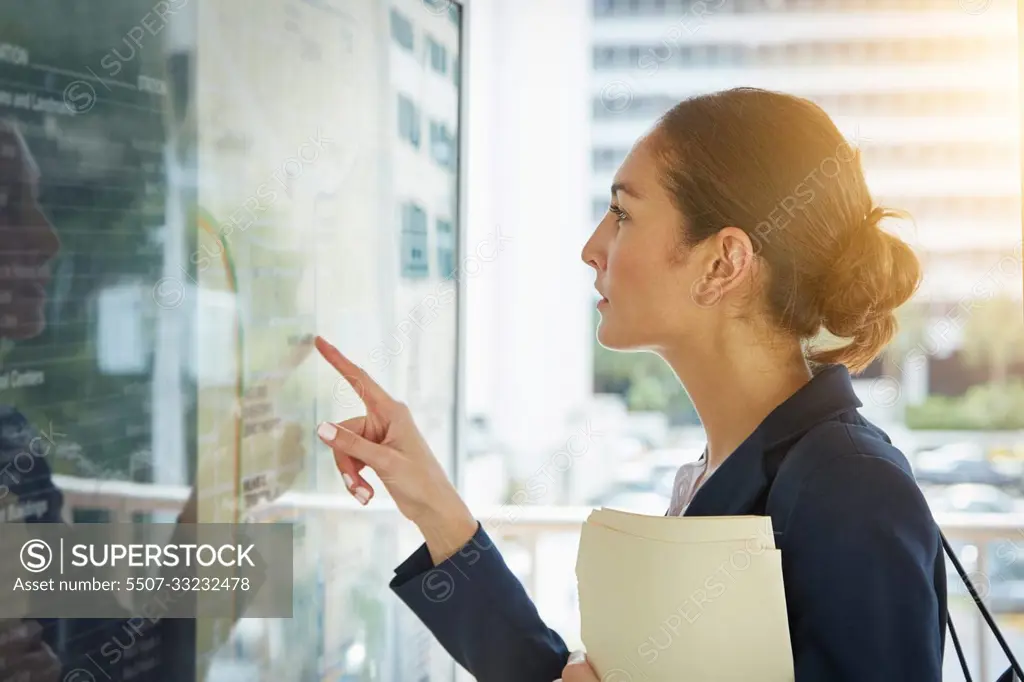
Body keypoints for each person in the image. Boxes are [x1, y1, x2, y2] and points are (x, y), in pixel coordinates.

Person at [313, 87, 946, 682]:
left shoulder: (853, 487)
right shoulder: (731, 469)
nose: (593, 247)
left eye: (623, 213)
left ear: (722, 263)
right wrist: (433, 505)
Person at [0, 117, 302, 681]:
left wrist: (222, 495)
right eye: (5, 206)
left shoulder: (15, 453)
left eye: (34, 204)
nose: (47, 240)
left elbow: (132, 653)